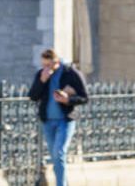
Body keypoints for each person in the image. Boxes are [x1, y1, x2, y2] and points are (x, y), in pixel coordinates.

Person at [26, 48, 88, 186]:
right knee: (55, 156)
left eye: (49, 65)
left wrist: (68, 100)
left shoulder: (70, 74)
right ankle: (63, 181)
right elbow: (33, 96)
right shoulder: (42, 75)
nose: (46, 68)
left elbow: (84, 97)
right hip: (47, 121)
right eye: (44, 65)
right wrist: (42, 80)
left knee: (59, 153)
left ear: (57, 62)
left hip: (65, 120)